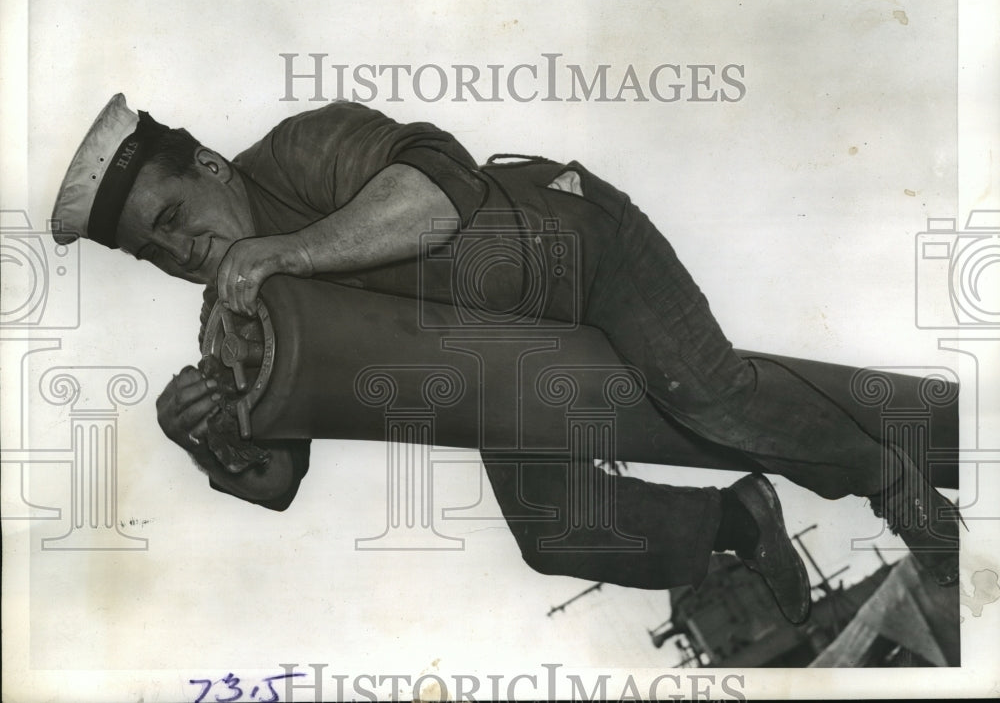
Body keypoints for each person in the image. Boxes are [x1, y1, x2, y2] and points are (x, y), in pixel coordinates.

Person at [51, 94, 961, 625]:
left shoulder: (298, 151)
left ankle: (889, 473)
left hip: (576, 250)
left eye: (171, 220)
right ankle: (741, 520)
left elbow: (441, 191)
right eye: (150, 252)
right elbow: (279, 477)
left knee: (706, 394)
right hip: (496, 358)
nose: (178, 253)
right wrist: (209, 440)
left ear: (208, 168)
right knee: (559, 533)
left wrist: (292, 252)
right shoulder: (232, 310)